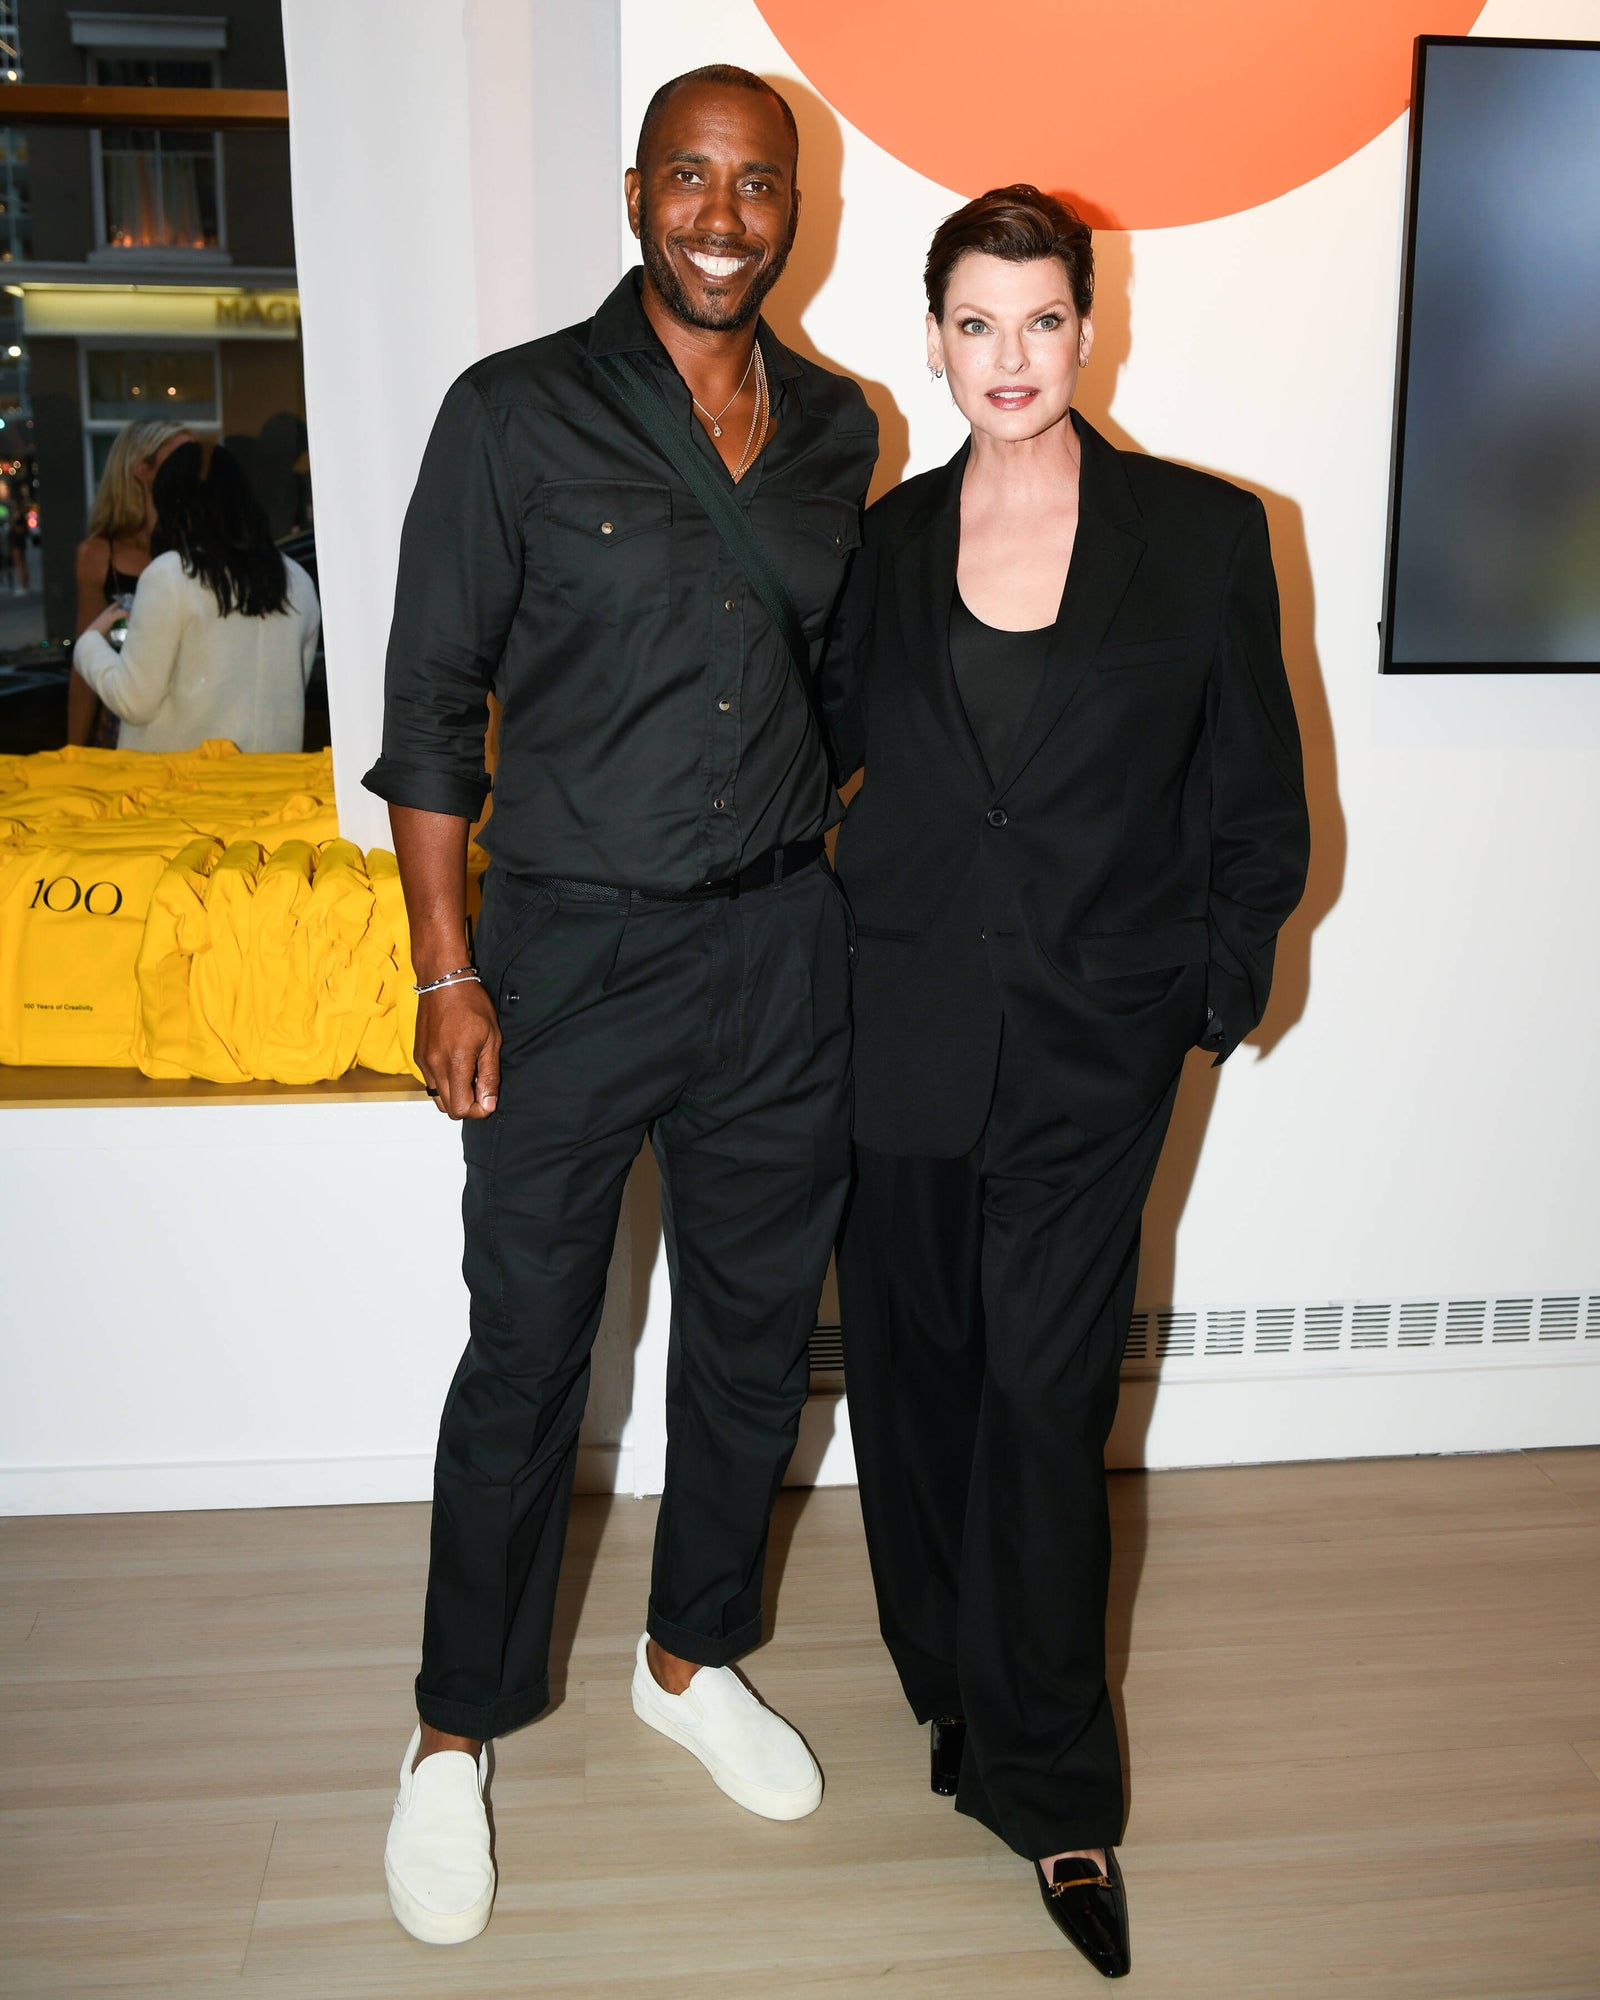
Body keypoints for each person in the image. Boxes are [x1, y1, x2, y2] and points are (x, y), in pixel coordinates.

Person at [365, 65, 876, 1946]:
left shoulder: (841, 432)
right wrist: (447, 966)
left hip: (776, 954)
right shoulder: (511, 414)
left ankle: (690, 1660)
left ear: (792, 204)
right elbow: (427, 711)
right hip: (567, 956)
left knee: (753, 1339)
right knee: (527, 1359)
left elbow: (848, 692)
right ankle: (449, 1735)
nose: (724, 217)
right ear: (636, 190)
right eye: (692, 178)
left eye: (757, 185)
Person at [822, 186, 1310, 1978]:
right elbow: (827, 757)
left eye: (1041, 321)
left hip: (1094, 1049)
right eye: (975, 324)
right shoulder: (882, 549)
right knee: (916, 1380)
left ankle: (1056, 1788)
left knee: (1041, 1401)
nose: (1009, 358)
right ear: (934, 337)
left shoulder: (1203, 536)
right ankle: (949, 1680)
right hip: (902, 1031)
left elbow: (1257, 803)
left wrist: (1213, 983)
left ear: (1088, 329)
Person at [72, 441, 319, 754]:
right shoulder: (297, 580)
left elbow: (133, 700)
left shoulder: (171, 575)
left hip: (182, 789)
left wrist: (89, 644)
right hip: (270, 787)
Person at [69, 419, 194, 746]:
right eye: (180, 458)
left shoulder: (199, 546)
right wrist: (74, 753)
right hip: (125, 722)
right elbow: (85, 661)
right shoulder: (99, 554)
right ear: (142, 468)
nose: (192, 468)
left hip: (195, 717)